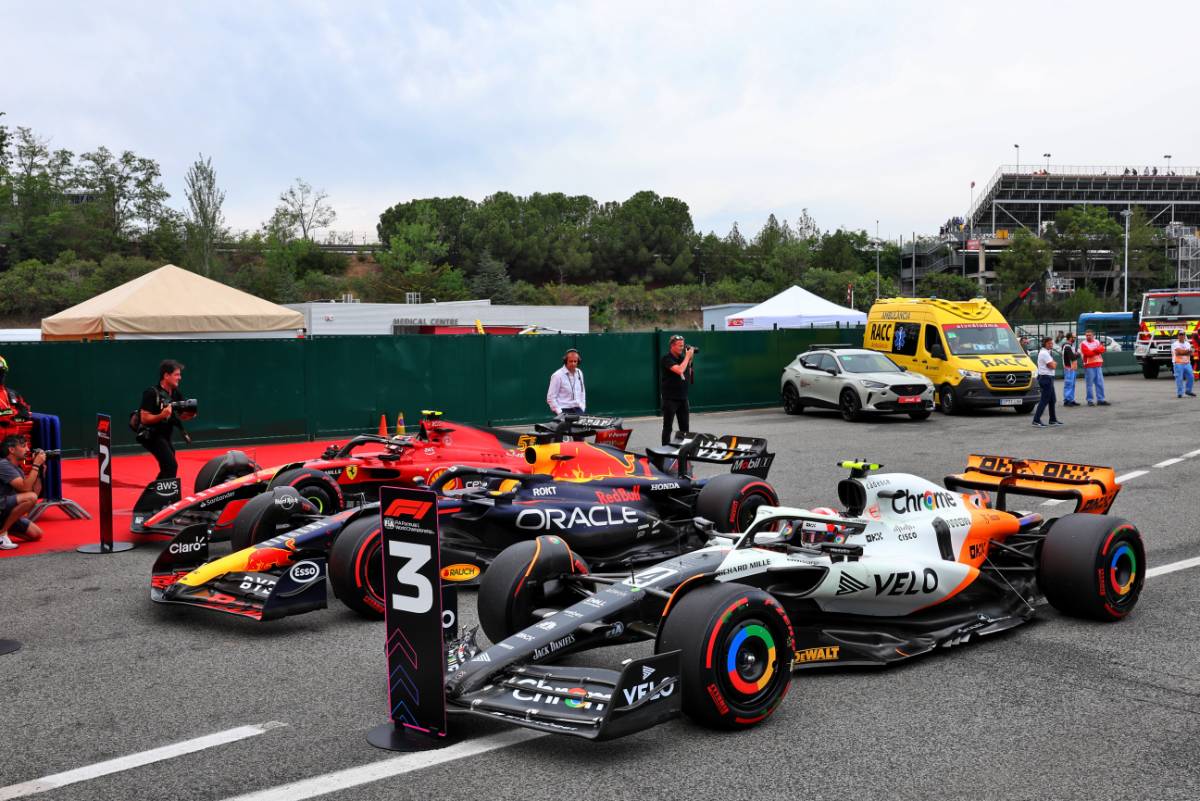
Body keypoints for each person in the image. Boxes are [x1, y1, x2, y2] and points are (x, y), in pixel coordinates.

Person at [137, 360, 193, 480]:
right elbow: (144, 418)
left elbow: (182, 415)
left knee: (168, 466)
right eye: (176, 375)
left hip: (165, 436)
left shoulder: (175, 393)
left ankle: (157, 492)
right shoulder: (151, 393)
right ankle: (165, 495)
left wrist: (189, 414)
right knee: (171, 465)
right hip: (151, 435)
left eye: (179, 374)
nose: (180, 378)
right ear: (166, 376)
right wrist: (162, 415)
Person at [0, 435, 46, 550]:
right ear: (11, 450)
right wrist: (35, 465)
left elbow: (34, 492)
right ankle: (2, 532)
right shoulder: (3, 464)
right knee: (30, 498)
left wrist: (39, 472)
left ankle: (4, 530)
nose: (28, 450)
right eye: (23, 446)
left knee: (36, 534)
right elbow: (26, 490)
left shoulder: (18, 469)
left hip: (4, 509)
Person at [660, 334, 696, 445]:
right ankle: (664, 454)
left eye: (683, 345)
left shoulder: (682, 358)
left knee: (685, 429)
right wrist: (687, 357)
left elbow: (688, 374)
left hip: (683, 398)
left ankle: (683, 454)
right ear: (672, 346)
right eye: (680, 346)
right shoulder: (666, 359)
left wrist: (690, 360)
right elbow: (680, 370)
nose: (682, 348)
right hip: (670, 398)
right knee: (668, 427)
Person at [546, 348, 586, 416]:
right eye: (570, 361)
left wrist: (582, 407)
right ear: (565, 361)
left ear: (578, 362)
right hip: (564, 409)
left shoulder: (579, 373)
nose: (573, 363)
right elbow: (550, 397)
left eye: (575, 361)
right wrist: (560, 412)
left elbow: (582, 392)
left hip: (578, 409)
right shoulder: (557, 375)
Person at [1032, 337, 1062, 428]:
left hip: (1047, 378)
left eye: (1051, 343)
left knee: (1052, 400)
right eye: (1049, 343)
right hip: (1046, 378)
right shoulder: (1044, 353)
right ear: (1045, 344)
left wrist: (1053, 363)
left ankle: (1052, 419)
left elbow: (1052, 364)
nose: (1051, 345)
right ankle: (1036, 420)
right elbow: (1052, 365)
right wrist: (1054, 363)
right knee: (1044, 400)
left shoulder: (1046, 352)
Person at [0, 355, 31, 439]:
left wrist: (10, 417)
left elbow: (25, 416)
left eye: (1, 372)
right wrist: (10, 413)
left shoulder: (12, 393)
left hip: (12, 443)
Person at [1079, 330, 1108, 406]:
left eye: (1089, 335)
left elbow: (1102, 349)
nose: (1088, 336)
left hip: (1098, 365)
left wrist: (1094, 351)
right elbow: (1088, 354)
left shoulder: (1097, 341)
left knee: (1100, 383)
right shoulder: (1083, 344)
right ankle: (1090, 400)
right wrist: (1096, 350)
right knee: (1089, 384)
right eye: (1087, 335)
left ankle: (1101, 400)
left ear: (1093, 335)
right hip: (1089, 366)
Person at [1171, 331, 1196, 398]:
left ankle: (1188, 391)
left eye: (1183, 335)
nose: (1181, 336)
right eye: (1180, 335)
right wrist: (1187, 351)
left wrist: (1185, 352)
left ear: (1185, 336)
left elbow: (1191, 353)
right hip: (1178, 363)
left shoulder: (1187, 343)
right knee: (1179, 378)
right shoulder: (1175, 344)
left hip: (1187, 363)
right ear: (1178, 336)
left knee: (1191, 377)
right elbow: (1178, 353)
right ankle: (1180, 393)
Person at [1061, 333, 1079, 406]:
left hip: (1072, 367)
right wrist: (1077, 354)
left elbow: (1076, 355)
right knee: (1068, 384)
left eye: (1075, 337)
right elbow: (1073, 357)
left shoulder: (1071, 346)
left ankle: (1071, 399)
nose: (1074, 338)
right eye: (1073, 337)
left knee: (1072, 384)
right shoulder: (1067, 346)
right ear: (1069, 338)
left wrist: (1076, 354)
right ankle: (1067, 400)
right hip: (1068, 368)